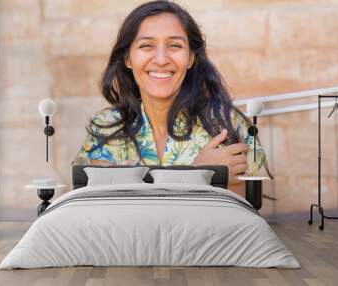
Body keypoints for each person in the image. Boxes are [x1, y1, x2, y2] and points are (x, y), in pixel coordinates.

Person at [73, 0, 272, 195]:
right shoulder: (107, 126)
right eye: (146, 46)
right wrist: (198, 174)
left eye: (175, 45)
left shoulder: (224, 124)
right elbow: (97, 209)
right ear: (128, 58)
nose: (161, 60)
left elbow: (242, 208)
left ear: (191, 58)